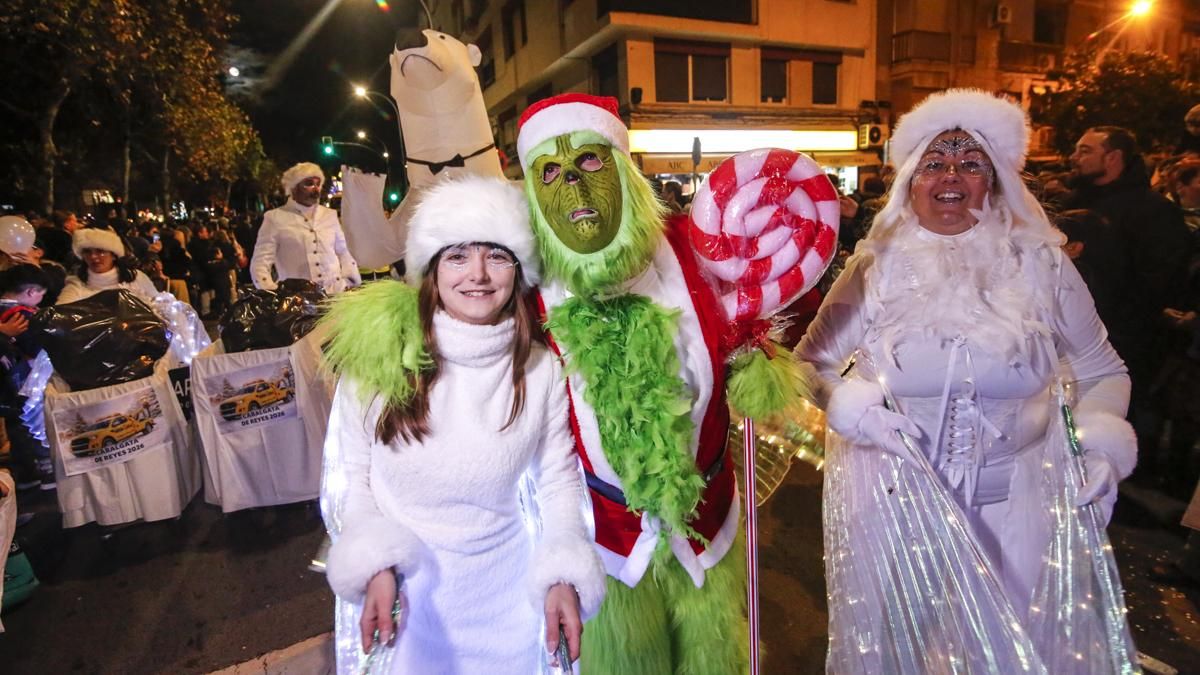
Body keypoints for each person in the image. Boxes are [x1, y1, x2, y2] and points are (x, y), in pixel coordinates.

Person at [796, 89, 1137, 671]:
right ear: (910, 180)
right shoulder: (875, 268)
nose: (950, 176)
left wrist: (1101, 444)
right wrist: (852, 409)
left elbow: (1104, 369)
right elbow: (810, 364)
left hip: (1018, 510)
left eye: (970, 163)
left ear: (995, 181)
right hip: (898, 511)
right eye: (934, 163)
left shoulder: (1043, 265)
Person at [320, 174, 605, 673]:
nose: (477, 274)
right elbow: (353, 479)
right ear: (431, 270)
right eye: (457, 255)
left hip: (510, 612)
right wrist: (376, 563)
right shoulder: (379, 358)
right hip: (406, 608)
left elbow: (559, 483)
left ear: (518, 272)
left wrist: (562, 569)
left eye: (496, 255)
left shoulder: (540, 370)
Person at [516, 93, 754, 674]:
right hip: (605, 534)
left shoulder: (694, 254)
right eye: (551, 172)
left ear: (623, 168)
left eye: (590, 162)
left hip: (707, 512)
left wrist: (758, 359)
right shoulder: (526, 289)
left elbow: (763, 322)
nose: (573, 187)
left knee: (715, 657)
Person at [1063, 127, 1193, 478]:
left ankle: (1137, 475)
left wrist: (1124, 319)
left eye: (1085, 150)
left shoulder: (1153, 212)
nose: (1074, 157)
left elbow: (1163, 278)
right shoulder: (1078, 203)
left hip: (1126, 340)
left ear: (1113, 157)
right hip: (1072, 338)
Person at [251, 163, 361, 295]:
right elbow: (261, 261)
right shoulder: (274, 218)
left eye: (318, 184)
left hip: (335, 295)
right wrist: (271, 292)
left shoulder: (329, 215)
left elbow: (344, 251)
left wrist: (349, 280)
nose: (315, 189)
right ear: (294, 188)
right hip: (297, 301)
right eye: (309, 183)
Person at [58, 228, 159, 305]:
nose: (93, 257)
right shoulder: (76, 284)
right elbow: (62, 314)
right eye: (88, 252)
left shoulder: (136, 278)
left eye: (100, 252)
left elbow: (159, 305)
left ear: (113, 255)